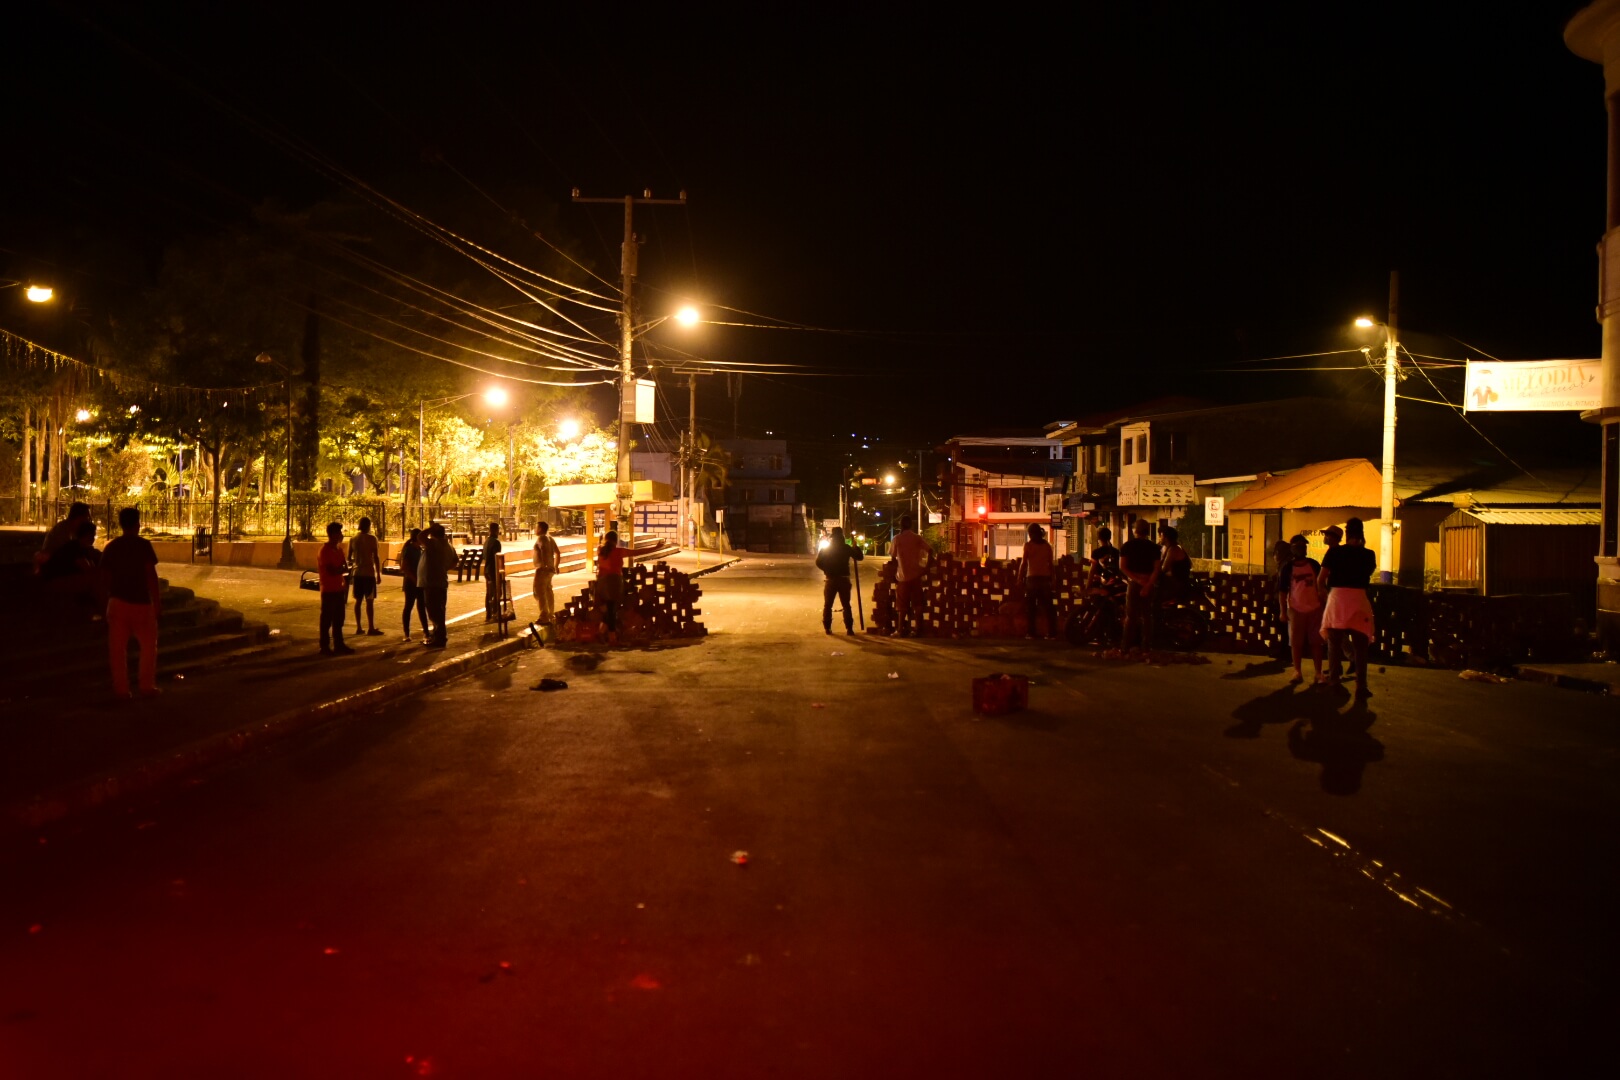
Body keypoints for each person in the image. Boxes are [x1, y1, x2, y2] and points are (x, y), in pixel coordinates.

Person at [100, 506, 162, 698]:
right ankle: (146, 686)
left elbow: (105, 577)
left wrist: (107, 600)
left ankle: (121, 689)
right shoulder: (143, 545)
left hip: (118, 601)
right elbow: (150, 574)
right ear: (138, 524)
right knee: (148, 647)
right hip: (141, 602)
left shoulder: (112, 547)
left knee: (117, 650)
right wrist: (157, 600)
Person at [1318, 516, 1376, 697]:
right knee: (1360, 646)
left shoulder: (1334, 553)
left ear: (1347, 532)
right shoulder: (1369, 554)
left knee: (1334, 643)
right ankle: (1361, 686)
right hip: (1359, 598)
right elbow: (1367, 574)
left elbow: (1321, 579)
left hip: (1338, 598)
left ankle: (1334, 681)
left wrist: (1326, 594)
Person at [1282, 533, 1324, 685]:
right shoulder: (1287, 568)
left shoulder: (1314, 565)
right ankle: (1297, 671)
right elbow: (1282, 591)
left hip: (1314, 608)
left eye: (1304, 546)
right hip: (1295, 609)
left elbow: (1322, 585)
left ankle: (1318, 673)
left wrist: (1323, 605)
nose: (1302, 549)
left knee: (1316, 643)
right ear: (1293, 549)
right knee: (1296, 643)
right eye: (1299, 546)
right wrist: (1283, 611)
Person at [1119, 519, 1161, 654]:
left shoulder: (1127, 546)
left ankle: (1125, 647)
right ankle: (1146, 646)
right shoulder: (1154, 548)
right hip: (1149, 582)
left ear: (1135, 530)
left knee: (1131, 616)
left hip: (1134, 583)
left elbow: (1122, 567)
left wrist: (1136, 580)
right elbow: (1157, 569)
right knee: (1147, 616)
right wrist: (1148, 584)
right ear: (1147, 531)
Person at [888, 514, 930, 637]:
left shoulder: (897, 539)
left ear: (901, 525)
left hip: (903, 577)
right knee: (918, 605)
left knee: (902, 606)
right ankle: (918, 629)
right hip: (916, 576)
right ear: (911, 525)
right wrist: (926, 567)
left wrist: (893, 573)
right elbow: (930, 550)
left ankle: (900, 630)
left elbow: (893, 558)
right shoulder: (917, 538)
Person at [816, 526, 863, 636]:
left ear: (832, 538)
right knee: (846, 605)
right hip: (843, 580)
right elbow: (859, 557)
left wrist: (826, 569)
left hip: (830, 579)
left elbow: (818, 562)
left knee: (828, 605)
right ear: (842, 537)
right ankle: (849, 629)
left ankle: (827, 628)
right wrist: (856, 547)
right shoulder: (846, 548)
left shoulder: (826, 549)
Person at [317, 521, 355, 656]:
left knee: (339, 619)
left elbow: (343, 568)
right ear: (332, 534)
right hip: (328, 589)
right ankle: (324, 646)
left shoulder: (339, 550)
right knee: (326, 619)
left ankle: (339, 644)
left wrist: (341, 571)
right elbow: (331, 570)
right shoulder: (325, 551)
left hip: (339, 588)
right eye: (339, 532)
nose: (341, 535)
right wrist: (341, 570)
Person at [1017, 522, 1056, 639]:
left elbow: (1024, 563)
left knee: (1031, 608)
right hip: (1045, 579)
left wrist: (1019, 577)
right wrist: (1053, 579)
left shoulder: (1028, 546)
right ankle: (1051, 633)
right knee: (1048, 607)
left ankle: (1031, 633)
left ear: (1031, 534)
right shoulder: (1047, 546)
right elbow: (1051, 564)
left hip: (1032, 579)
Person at [421, 522, 454, 648]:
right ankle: (439, 635)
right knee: (440, 610)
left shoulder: (434, 544)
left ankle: (438, 637)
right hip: (441, 581)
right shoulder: (448, 545)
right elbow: (455, 561)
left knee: (433, 611)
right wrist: (444, 568)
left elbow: (420, 537)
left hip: (432, 582)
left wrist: (430, 528)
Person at [349, 516, 382, 637]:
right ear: (369, 526)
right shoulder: (372, 539)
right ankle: (371, 627)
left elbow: (349, 557)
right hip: (368, 573)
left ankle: (358, 627)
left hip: (357, 573)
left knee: (358, 601)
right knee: (369, 601)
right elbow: (376, 557)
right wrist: (378, 573)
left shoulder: (353, 539)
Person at [38, 501, 91, 572]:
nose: (88, 521)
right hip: (54, 570)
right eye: (87, 517)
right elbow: (68, 554)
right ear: (79, 517)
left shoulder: (73, 531)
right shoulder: (62, 530)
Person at [596, 529, 627, 644]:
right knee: (612, 609)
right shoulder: (620, 551)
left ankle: (602, 631)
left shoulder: (600, 550)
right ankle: (611, 636)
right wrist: (656, 547)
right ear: (616, 540)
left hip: (602, 582)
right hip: (615, 582)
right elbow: (640, 551)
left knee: (608, 609)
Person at [399, 528, 430, 643]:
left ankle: (426, 632)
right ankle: (406, 633)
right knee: (409, 606)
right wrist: (415, 579)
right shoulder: (410, 549)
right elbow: (404, 568)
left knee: (422, 607)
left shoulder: (419, 549)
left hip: (419, 582)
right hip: (411, 582)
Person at [532, 520, 561, 624]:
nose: (535, 529)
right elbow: (557, 552)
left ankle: (544, 615)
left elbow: (543, 550)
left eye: (536, 527)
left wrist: (543, 565)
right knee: (548, 591)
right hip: (550, 570)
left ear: (540, 529)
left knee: (539, 592)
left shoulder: (541, 539)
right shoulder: (550, 538)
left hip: (542, 570)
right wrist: (556, 566)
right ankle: (550, 613)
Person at [1158, 525, 1191, 602]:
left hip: (1177, 584)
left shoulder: (1174, 549)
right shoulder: (1167, 548)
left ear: (1166, 537)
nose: (1159, 538)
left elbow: (1164, 569)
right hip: (1173, 582)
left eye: (1161, 536)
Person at [482, 521, 504, 621]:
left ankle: (488, 613)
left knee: (489, 592)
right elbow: (497, 557)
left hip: (487, 569)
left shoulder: (486, 541)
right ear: (496, 530)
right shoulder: (496, 542)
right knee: (497, 592)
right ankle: (495, 612)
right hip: (493, 569)